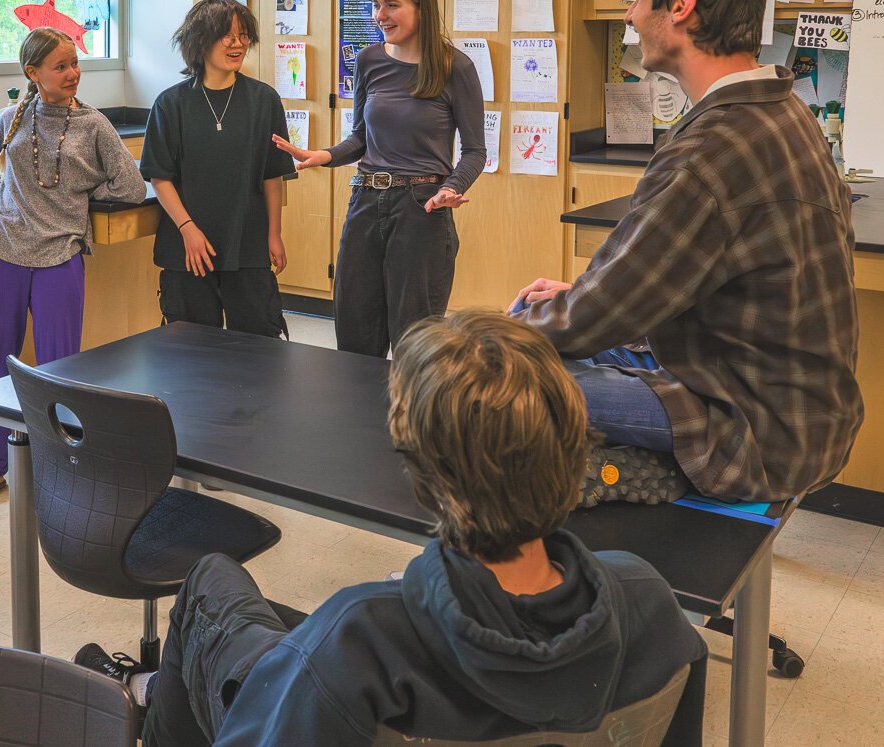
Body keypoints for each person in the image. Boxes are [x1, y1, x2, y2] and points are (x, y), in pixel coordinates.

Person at [77, 312, 706, 747]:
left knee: (212, 581)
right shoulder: (652, 607)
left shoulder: (362, 638)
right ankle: (154, 686)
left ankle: (150, 691)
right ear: (573, 451)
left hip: (311, 687)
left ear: (421, 472)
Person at [513, 0, 862, 505]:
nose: (628, 14)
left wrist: (488, 340)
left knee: (488, 375)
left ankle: (606, 485)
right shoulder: (780, 108)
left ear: (681, 6)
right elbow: (656, 287)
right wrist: (574, 302)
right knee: (536, 318)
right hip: (798, 411)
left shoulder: (714, 148)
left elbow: (601, 312)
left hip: (753, 434)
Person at [0, 28, 146, 510]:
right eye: (60, 66)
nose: (72, 73)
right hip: (0, 250)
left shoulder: (94, 125)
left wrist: (76, 203)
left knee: (61, 367)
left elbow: (130, 186)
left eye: (74, 63)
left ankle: (62, 464)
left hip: (59, 254)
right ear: (33, 73)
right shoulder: (9, 119)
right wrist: (6, 210)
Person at [273, 0, 485, 357]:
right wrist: (324, 155)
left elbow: (475, 151)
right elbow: (359, 138)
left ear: (422, 8)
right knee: (354, 330)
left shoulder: (456, 67)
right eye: (375, 5)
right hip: (366, 202)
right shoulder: (369, 59)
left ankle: (407, 418)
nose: (379, 15)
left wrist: (451, 187)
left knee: (414, 340)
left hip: (421, 207)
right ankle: (358, 417)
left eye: (392, 5)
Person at [140, 0, 295, 337]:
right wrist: (188, 229)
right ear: (200, 40)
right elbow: (160, 176)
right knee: (192, 352)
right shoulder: (171, 103)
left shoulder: (264, 99)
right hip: (188, 248)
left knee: (259, 348)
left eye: (243, 35)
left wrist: (274, 234)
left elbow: (273, 175)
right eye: (226, 35)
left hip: (248, 244)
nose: (237, 43)